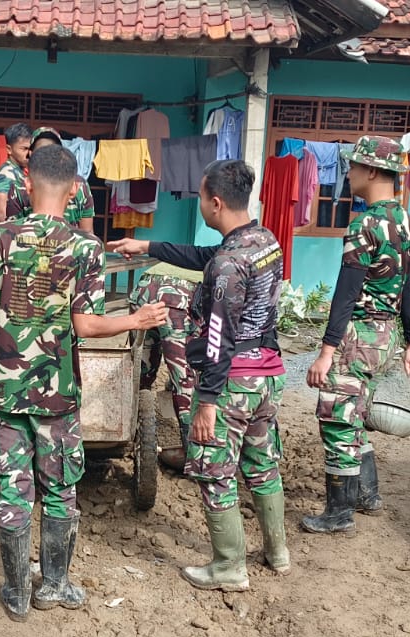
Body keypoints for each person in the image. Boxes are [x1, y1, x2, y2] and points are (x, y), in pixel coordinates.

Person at [0, 144, 168, 621]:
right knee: (60, 489)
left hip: (8, 392)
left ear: (27, 184)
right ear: (75, 190)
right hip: (58, 396)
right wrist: (135, 320)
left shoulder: (0, 235)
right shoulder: (84, 247)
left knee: (13, 492)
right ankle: (54, 584)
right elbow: (86, 326)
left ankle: (16, 593)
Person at [107, 160, 289, 592]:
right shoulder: (263, 242)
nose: (200, 204)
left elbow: (218, 341)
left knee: (215, 472)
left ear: (216, 202)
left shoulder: (227, 266)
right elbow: (205, 257)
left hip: (233, 382)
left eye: (201, 197)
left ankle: (229, 566)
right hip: (267, 374)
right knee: (262, 464)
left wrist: (205, 403)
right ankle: (278, 552)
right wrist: (148, 245)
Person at [302, 135, 410, 536]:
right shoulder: (409, 223)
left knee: (338, 418)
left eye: (354, 166)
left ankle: (339, 513)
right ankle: (367, 494)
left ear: (372, 171)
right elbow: (409, 290)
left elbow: (346, 292)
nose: (349, 172)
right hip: (385, 336)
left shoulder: (365, 225)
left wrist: (327, 351)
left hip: (357, 334)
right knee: (355, 410)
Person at [129, 263, 200, 469]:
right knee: (185, 377)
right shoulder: (229, 268)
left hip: (144, 289)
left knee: (139, 370)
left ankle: (132, 430)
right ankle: (193, 454)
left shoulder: (193, 256)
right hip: (179, 297)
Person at [0, 123, 34, 223]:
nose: (29, 154)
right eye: (24, 149)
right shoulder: (6, 174)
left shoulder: (19, 171)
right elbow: (1, 213)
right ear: (9, 149)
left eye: (30, 149)